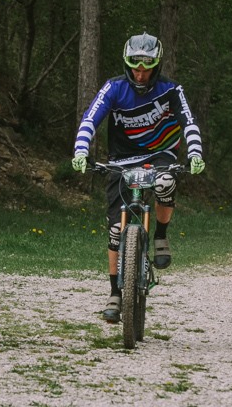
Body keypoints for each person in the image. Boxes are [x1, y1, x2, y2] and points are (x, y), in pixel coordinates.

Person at [72, 32, 205, 323]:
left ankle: (160, 235)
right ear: (127, 64)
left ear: (157, 66)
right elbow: (90, 118)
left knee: (166, 182)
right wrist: (81, 150)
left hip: (161, 154)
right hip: (122, 159)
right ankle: (114, 294)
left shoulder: (171, 89)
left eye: (146, 68)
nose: (140, 74)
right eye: (135, 67)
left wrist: (195, 152)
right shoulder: (114, 88)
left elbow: (189, 121)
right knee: (114, 230)